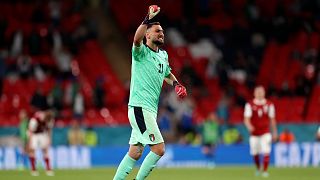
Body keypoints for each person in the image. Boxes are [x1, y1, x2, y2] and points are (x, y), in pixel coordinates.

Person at [113, 5, 187, 180]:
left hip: (149, 111)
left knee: (136, 152)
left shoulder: (163, 55)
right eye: (157, 31)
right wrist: (147, 18)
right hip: (140, 107)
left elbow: (167, 73)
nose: (161, 33)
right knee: (159, 149)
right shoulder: (140, 53)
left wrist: (176, 84)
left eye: (162, 31)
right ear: (148, 35)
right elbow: (136, 39)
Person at [244, 86, 278, 178]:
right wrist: (249, 126)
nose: (259, 93)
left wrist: (274, 132)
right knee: (255, 152)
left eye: (261, 92)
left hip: (265, 132)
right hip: (254, 133)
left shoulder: (269, 104)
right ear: (254, 93)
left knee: (266, 150)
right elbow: (246, 119)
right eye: (257, 92)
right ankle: (258, 168)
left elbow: (272, 119)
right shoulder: (249, 104)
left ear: (264, 93)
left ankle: (265, 171)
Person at [27, 109, 55, 176]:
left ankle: (48, 169)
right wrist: (30, 141)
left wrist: (49, 139)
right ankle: (33, 169)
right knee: (32, 150)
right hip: (34, 134)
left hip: (43, 134)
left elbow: (49, 130)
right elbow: (30, 130)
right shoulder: (35, 119)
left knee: (45, 150)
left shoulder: (50, 120)